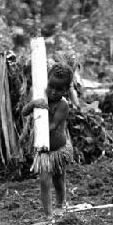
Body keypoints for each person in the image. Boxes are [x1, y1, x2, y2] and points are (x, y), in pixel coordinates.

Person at [22, 62, 74, 217]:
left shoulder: (63, 105)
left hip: (58, 150)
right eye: (51, 86)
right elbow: (25, 112)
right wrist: (34, 104)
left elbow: (51, 126)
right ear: (47, 81)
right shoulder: (40, 96)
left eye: (60, 89)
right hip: (44, 150)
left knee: (58, 180)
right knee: (44, 181)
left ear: (66, 90)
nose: (53, 92)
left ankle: (60, 204)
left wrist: (44, 110)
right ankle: (48, 215)